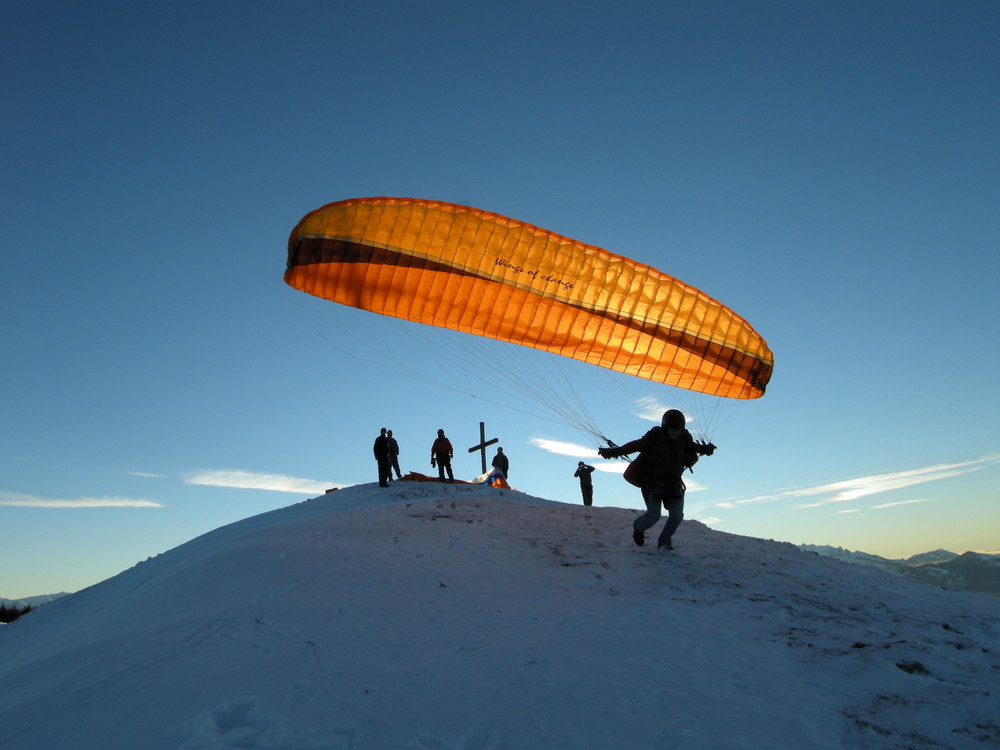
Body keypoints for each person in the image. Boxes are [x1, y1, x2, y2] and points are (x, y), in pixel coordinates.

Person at [598, 409, 715, 550]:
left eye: (678, 430)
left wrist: (706, 449)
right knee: (654, 515)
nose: (675, 433)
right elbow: (635, 445)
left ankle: (665, 541)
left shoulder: (684, 438)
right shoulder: (654, 436)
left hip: (675, 484)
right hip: (653, 483)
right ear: (666, 428)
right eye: (673, 430)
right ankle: (638, 528)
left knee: (677, 516)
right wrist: (613, 452)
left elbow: (695, 447)